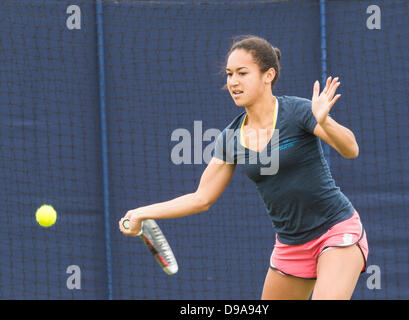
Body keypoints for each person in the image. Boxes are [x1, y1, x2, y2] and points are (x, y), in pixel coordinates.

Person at [119, 35, 369, 300]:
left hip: (335, 230)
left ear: (268, 75)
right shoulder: (230, 137)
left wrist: (325, 122)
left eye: (242, 73)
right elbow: (201, 198)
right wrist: (141, 213)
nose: (233, 82)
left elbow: (350, 149)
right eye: (229, 74)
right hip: (291, 246)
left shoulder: (298, 112)